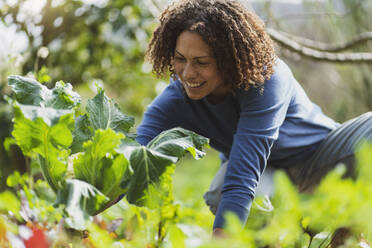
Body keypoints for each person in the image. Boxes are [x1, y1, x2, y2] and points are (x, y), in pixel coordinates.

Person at [135, 0, 372, 237]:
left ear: (228, 60)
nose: (187, 73)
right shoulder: (176, 97)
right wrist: (101, 192)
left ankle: (348, 228)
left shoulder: (267, 80)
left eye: (201, 62)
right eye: (180, 59)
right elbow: (133, 155)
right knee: (222, 192)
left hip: (322, 156)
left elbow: (243, 175)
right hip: (272, 178)